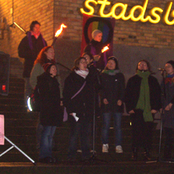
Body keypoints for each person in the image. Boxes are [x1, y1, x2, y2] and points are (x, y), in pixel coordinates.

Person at [125, 60, 161, 161]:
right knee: (136, 131)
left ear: (148, 67)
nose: (142, 66)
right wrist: (129, 108)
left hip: (149, 111)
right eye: (140, 65)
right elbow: (128, 95)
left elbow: (157, 95)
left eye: (144, 64)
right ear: (137, 67)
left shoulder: (153, 80)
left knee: (147, 132)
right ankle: (134, 151)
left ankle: (147, 152)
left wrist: (155, 108)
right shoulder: (133, 80)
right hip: (136, 110)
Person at [63, 57, 95, 161]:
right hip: (76, 110)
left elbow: (94, 92)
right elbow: (67, 94)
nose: (85, 64)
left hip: (87, 110)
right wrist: (70, 109)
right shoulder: (71, 78)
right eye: (82, 62)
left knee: (86, 133)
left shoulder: (90, 77)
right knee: (74, 133)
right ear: (77, 64)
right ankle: (71, 154)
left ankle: (86, 154)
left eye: (86, 62)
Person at [30, 46, 56, 150]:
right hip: (43, 98)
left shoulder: (54, 66)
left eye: (54, 52)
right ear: (44, 53)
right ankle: (40, 143)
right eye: (51, 52)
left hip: (53, 99)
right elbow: (32, 81)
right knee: (42, 122)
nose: (53, 53)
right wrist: (40, 91)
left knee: (51, 123)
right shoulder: (39, 66)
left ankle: (49, 144)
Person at [37, 62, 62, 163]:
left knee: (51, 134)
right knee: (46, 133)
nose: (55, 70)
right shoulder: (44, 80)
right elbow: (45, 95)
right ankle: (44, 154)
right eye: (52, 68)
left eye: (55, 68)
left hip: (54, 111)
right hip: (47, 110)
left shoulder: (54, 81)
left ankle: (48, 154)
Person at [18, 21, 47, 105]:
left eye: (39, 27)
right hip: (29, 68)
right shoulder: (26, 39)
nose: (38, 29)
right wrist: (32, 54)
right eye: (36, 27)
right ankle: (28, 105)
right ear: (32, 28)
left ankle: (37, 105)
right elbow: (21, 52)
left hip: (39, 68)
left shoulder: (42, 41)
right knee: (28, 87)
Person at [100, 56, 125, 153]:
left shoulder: (120, 76)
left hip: (117, 104)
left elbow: (122, 89)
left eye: (112, 63)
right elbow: (100, 88)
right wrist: (103, 97)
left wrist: (121, 99)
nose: (110, 64)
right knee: (105, 125)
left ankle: (118, 145)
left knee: (118, 126)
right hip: (106, 104)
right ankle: (105, 144)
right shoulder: (102, 75)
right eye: (109, 62)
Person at [161, 60, 174, 160]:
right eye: (166, 67)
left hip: (172, 107)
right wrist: (162, 105)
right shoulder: (165, 80)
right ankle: (167, 155)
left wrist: (171, 103)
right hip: (167, 111)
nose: (167, 68)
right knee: (168, 133)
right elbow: (162, 94)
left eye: (169, 66)